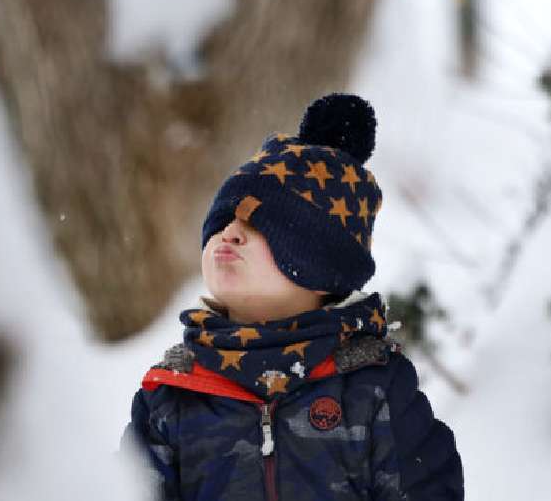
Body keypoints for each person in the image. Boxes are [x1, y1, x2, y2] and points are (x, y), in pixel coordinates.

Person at [123, 93, 464, 501]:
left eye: (261, 225)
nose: (230, 232)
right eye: (223, 220)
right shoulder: (174, 396)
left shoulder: (372, 390)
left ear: (323, 268)